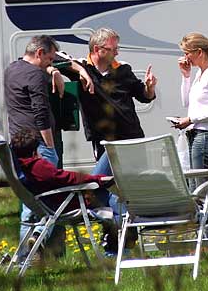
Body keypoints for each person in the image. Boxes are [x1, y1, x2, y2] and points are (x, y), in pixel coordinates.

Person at [60, 27, 156, 253]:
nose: (116, 53)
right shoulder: (83, 69)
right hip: (103, 143)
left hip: (130, 139)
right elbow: (56, 59)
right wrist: (82, 72)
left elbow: (144, 96)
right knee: (101, 189)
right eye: (112, 49)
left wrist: (150, 88)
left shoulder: (122, 71)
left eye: (116, 48)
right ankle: (123, 235)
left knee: (107, 188)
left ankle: (117, 244)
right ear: (97, 50)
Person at [4, 35, 92, 253]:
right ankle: (35, 240)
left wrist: (53, 71)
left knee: (29, 200)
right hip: (40, 145)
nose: (51, 62)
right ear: (39, 53)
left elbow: (55, 63)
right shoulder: (35, 75)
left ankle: (27, 252)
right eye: (49, 59)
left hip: (18, 144)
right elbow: (40, 112)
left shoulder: (12, 69)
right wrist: (50, 145)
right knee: (51, 199)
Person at [10, 128, 111, 260]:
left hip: (51, 206)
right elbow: (67, 177)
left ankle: (36, 238)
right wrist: (97, 179)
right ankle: (118, 246)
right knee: (112, 195)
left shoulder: (22, 168)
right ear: (35, 150)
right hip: (70, 204)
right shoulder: (38, 167)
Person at [173, 32, 208, 190]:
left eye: (187, 53)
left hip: (206, 135)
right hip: (195, 134)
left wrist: (190, 119)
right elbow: (186, 102)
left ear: (199, 52)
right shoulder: (199, 74)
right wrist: (186, 76)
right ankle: (205, 213)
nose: (185, 58)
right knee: (194, 185)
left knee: (202, 186)